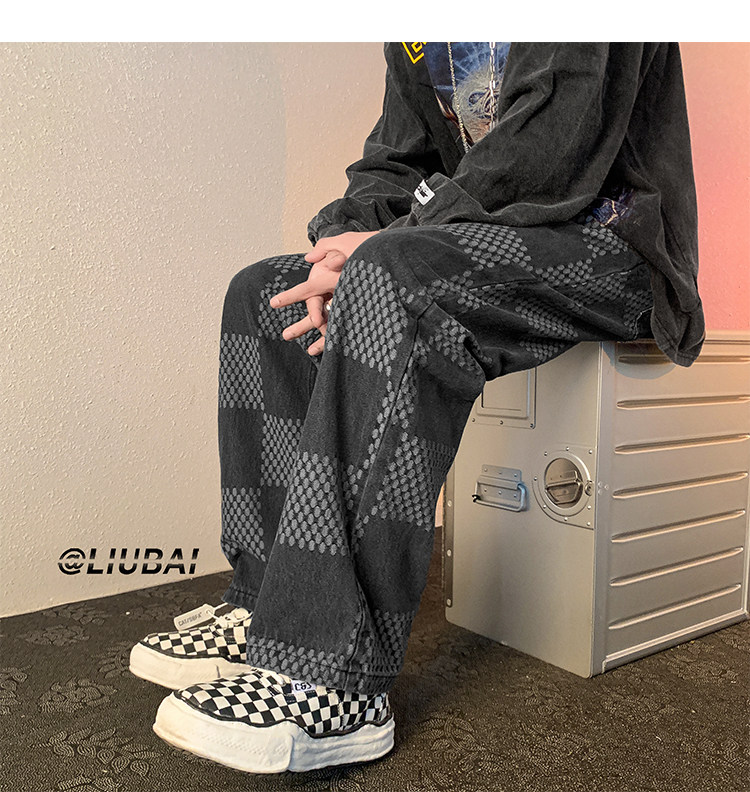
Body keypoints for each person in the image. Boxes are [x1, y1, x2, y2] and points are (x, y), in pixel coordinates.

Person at [128, 42, 705, 774]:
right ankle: (268, 606)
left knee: (394, 272)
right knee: (265, 294)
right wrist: (335, 246)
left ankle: (335, 676)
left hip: (613, 245)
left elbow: (551, 149)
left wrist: (387, 243)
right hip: (489, 231)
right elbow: (393, 161)